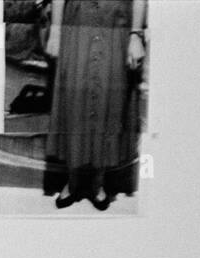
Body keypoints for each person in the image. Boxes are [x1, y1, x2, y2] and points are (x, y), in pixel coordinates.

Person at [43, 0, 146, 211]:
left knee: (110, 102)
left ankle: (97, 183)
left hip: (116, 25)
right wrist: (55, 30)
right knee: (74, 100)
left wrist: (136, 35)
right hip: (77, 23)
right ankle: (72, 182)